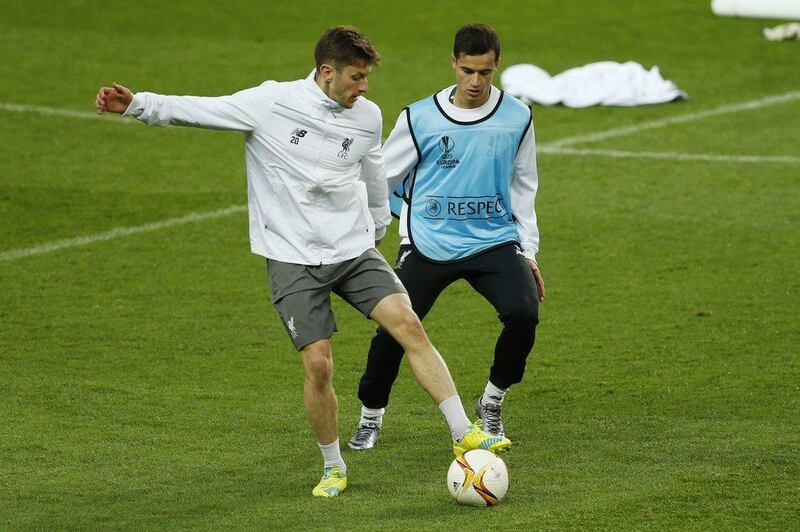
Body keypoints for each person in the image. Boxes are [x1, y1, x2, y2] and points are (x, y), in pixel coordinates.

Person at [95, 26, 508, 498]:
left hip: (352, 250)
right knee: (319, 364)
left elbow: (374, 169)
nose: (364, 87)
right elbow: (200, 110)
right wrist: (136, 104)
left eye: (367, 77)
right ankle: (334, 466)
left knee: (408, 324)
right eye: (356, 77)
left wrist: (376, 224)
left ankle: (463, 431)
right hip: (292, 256)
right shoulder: (271, 104)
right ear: (327, 72)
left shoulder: (367, 116)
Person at [348, 24, 545, 451]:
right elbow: (383, 179)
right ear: (454, 62)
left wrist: (527, 251)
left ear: (497, 67)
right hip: (428, 244)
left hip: (493, 240)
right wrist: (375, 231)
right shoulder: (419, 118)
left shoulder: (517, 117)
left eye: (486, 73)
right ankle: (370, 415)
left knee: (524, 312)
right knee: (394, 330)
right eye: (469, 71)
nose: (476, 83)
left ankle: (491, 402)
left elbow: (524, 186)